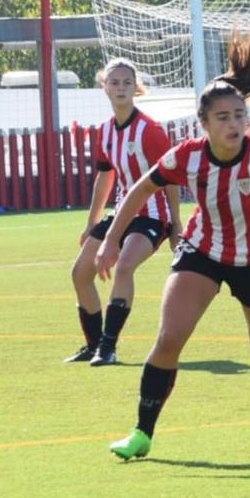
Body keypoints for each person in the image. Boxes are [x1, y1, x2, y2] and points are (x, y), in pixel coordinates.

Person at [97, 16, 250, 460]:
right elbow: (140, 189)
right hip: (201, 252)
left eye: (239, 115)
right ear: (203, 122)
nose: (233, 124)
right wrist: (109, 241)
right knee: (168, 339)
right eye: (222, 117)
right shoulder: (187, 155)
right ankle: (141, 434)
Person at [66, 59, 181, 367]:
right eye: (114, 82)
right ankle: (93, 345)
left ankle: (109, 347)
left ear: (135, 88)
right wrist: (91, 223)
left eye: (126, 83)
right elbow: (105, 178)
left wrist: (176, 225)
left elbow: (170, 179)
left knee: (124, 266)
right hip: (121, 214)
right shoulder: (103, 133)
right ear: (104, 87)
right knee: (79, 274)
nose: (120, 88)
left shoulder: (150, 131)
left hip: (152, 215)